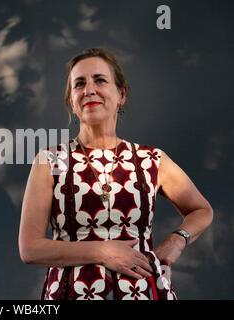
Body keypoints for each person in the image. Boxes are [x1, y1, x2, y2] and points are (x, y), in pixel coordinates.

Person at [18, 48, 213, 300]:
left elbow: (202, 210)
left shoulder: (152, 160)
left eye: (100, 80)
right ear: (71, 101)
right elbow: (30, 249)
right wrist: (102, 251)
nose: (89, 90)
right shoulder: (50, 161)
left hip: (146, 294)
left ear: (121, 94)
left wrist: (177, 241)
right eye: (79, 84)